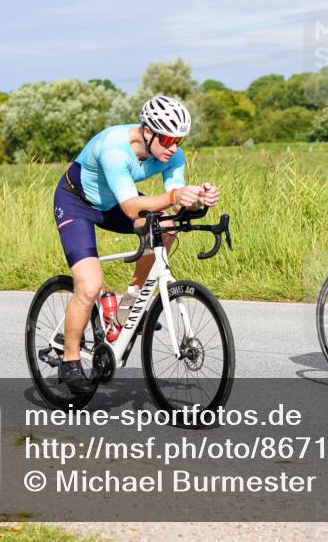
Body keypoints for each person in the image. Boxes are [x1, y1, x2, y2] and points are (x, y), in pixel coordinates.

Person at [52, 95, 220, 393]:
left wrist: (196, 201)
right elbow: (132, 208)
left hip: (114, 203)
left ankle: (128, 304)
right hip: (77, 202)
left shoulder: (173, 154)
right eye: (167, 139)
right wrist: (173, 198)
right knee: (90, 285)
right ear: (147, 131)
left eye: (179, 140)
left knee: (167, 225)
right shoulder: (114, 148)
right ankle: (70, 358)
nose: (173, 147)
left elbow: (174, 198)